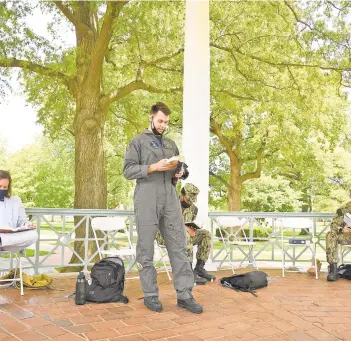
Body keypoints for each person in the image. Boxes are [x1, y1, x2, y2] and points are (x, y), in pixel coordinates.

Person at [123, 102, 203, 314]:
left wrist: (180, 172)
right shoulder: (137, 142)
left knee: (178, 245)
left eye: (166, 122)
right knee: (146, 248)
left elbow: (182, 169)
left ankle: (185, 294)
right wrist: (153, 167)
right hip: (147, 194)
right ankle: (150, 295)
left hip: (169, 195)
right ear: (151, 117)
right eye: (160, 121)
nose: (163, 125)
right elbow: (128, 170)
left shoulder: (170, 143)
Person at [156, 183, 216, 285]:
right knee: (186, 234)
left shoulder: (193, 209)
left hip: (183, 237)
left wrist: (192, 228)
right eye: (188, 200)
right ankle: (188, 274)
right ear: (182, 195)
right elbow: (167, 224)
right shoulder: (169, 204)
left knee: (206, 234)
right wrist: (187, 229)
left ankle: (199, 268)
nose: (190, 203)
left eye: (192, 201)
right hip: (165, 236)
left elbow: (188, 223)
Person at [0, 170, 38, 252]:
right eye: (0, 186)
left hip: (11, 239)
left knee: (33, 235)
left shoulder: (16, 201)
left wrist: (27, 225)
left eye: (5, 187)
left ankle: (1, 242)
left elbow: (22, 221)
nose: (2, 189)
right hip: (11, 242)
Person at [326, 189, 351, 281]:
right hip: (347, 235)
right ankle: (334, 269)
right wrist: (342, 229)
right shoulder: (343, 210)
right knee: (330, 234)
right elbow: (334, 225)